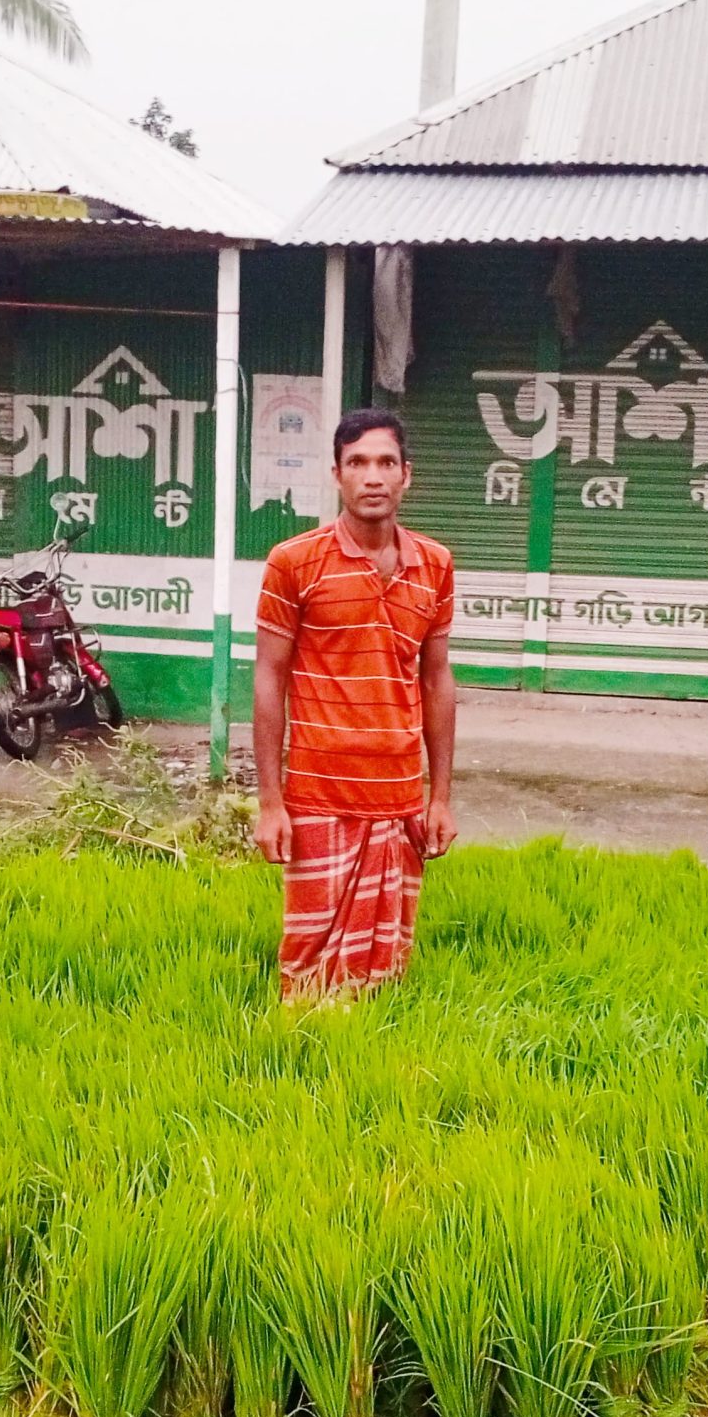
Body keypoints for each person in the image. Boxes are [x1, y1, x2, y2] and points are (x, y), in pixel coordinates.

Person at [252, 407, 457, 997]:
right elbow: (269, 678)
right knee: (308, 966)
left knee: (381, 973)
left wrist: (438, 797)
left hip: (398, 797)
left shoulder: (435, 565)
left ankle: (367, 1061)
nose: (373, 476)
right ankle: (294, 1066)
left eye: (385, 462)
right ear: (336, 475)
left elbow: (437, 680)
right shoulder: (294, 562)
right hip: (319, 790)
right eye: (358, 463)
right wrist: (271, 803)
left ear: (406, 475)